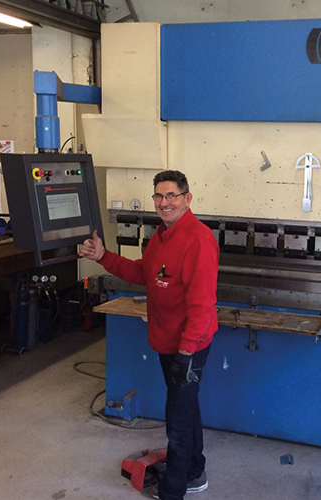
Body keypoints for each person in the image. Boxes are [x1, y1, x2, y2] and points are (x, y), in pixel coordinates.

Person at [79, 170, 219, 500]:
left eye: (172, 195)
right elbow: (143, 272)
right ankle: (194, 469)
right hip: (168, 341)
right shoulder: (161, 236)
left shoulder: (198, 240)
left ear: (187, 198)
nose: (164, 202)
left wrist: (186, 352)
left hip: (188, 346)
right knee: (186, 407)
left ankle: (174, 490)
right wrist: (103, 257)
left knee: (178, 418)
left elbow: (202, 304)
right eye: (159, 196)